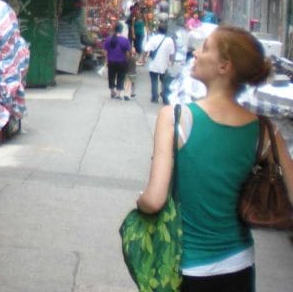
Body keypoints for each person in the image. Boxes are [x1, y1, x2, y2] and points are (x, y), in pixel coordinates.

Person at [136, 25, 293, 291]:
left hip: (186, 267)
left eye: (205, 48)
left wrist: (140, 201)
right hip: (239, 266)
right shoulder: (266, 131)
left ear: (224, 67)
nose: (196, 52)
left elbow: (154, 200)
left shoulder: (175, 118)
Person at [145, 24, 177, 104]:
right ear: (166, 31)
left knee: (154, 81)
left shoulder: (153, 39)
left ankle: (154, 97)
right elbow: (172, 53)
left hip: (154, 64)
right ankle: (164, 96)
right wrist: (172, 62)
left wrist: (143, 58)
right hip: (165, 65)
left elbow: (146, 49)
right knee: (164, 82)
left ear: (158, 30)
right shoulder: (169, 40)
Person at [102, 21, 131, 99]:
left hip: (111, 61)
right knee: (121, 77)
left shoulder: (108, 39)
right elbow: (128, 53)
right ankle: (118, 94)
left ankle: (112, 91)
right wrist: (127, 60)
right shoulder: (125, 40)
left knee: (111, 76)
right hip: (121, 61)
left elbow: (105, 51)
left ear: (114, 29)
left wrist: (106, 60)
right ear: (121, 30)